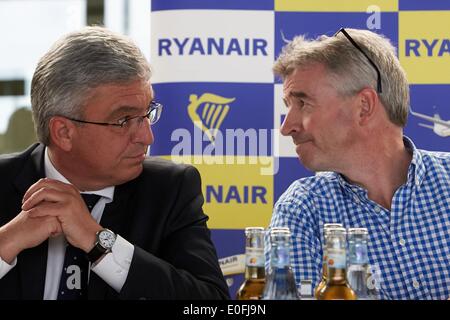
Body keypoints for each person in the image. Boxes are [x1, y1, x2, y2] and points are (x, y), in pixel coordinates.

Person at [0, 26, 229, 300]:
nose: (147, 137)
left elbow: (210, 301)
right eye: (123, 120)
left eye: (147, 114)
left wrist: (97, 241)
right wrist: (6, 242)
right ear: (63, 132)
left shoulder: (170, 190)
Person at [268, 28, 450, 300]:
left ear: (364, 106)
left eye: (303, 103)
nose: (286, 127)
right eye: (288, 106)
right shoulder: (301, 209)